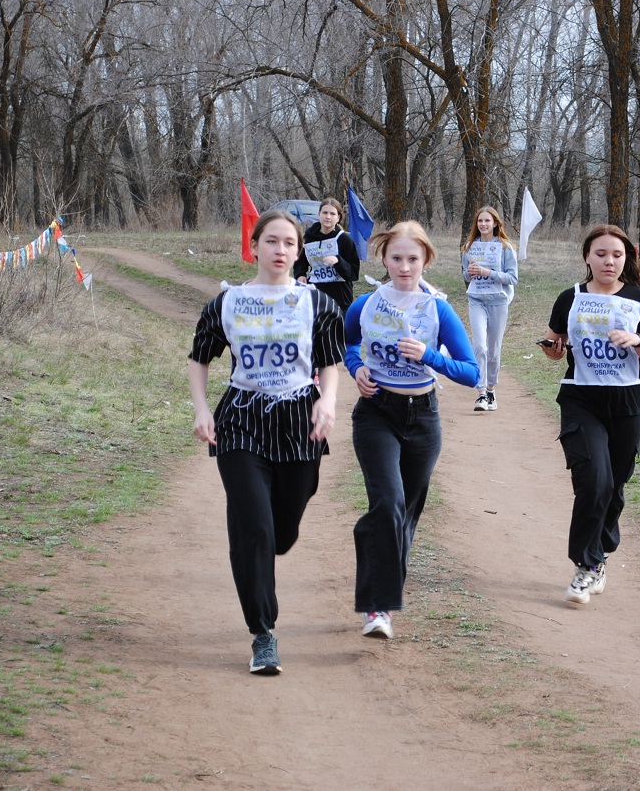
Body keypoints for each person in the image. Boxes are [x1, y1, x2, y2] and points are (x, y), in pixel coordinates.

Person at [188, 209, 346, 673]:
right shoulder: (227, 303)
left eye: (289, 244)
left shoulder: (318, 304)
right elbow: (200, 358)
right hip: (241, 420)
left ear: (299, 253)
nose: (280, 250)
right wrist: (200, 408)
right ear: (254, 246)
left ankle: (275, 536)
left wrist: (329, 401)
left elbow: (331, 362)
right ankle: (263, 634)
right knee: (252, 527)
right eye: (272, 241)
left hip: (299, 420)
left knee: (281, 530)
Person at [345, 221, 480, 638]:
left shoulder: (438, 309)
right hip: (376, 413)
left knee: (405, 515)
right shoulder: (364, 304)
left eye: (413, 259)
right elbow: (347, 344)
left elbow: (472, 373)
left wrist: (429, 357)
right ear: (384, 259)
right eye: (397, 258)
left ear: (426, 260)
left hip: (422, 418)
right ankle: (378, 609)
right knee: (387, 503)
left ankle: (383, 593)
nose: (405, 267)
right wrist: (358, 369)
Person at [538, 224, 640, 605]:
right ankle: (586, 565)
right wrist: (553, 348)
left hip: (626, 402)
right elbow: (554, 345)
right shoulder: (570, 298)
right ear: (587, 257)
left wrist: (637, 341)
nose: (609, 261)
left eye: (617, 255)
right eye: (601, 254)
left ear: (627, 259)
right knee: (594, 481)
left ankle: (600, 552)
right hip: (581, 399)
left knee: (614, 485)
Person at [460, 206, 519, 411]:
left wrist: (488, 272)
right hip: (476, 300)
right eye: (480, 221)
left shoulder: (505, 248)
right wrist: (471, 273)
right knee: (480, 347)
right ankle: (481, 393)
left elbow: (512, 278)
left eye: (487, 221)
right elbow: (466, 276)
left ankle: (492, 390)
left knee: (493, 350)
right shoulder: (469, 247)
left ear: (495, 223)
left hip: (498, 301)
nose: (483, 224)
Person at [294, 197, 360, 314]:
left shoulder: (345, 240)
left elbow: (354, 273)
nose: (328, 217)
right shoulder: (308, 237)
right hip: (315, 293)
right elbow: (300, 260)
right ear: (319, 214)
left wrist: (338, 261)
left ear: (338, 218)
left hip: (340, 298)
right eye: (325, 213)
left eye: (332, 214)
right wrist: (300, 275)